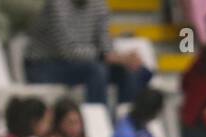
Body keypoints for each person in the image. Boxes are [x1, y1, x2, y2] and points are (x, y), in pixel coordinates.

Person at [23, 0, 151, 107]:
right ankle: (97, 123)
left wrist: (122, 59)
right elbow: (67, 51)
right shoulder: (57, 4)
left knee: (129, 71)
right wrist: (108, 56)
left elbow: (105, 45)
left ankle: (126, 124)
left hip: (83, 63)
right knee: (96, 71)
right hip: (44, 65)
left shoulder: (99, 5)